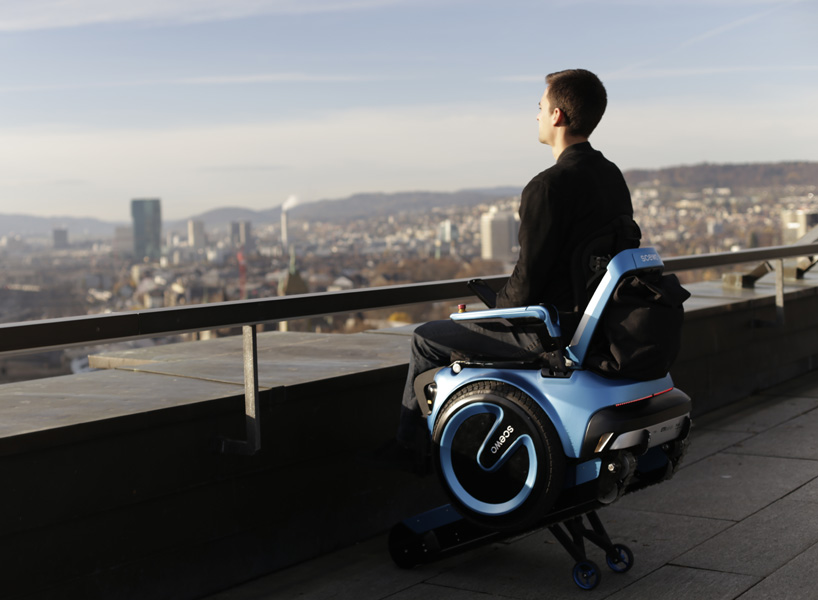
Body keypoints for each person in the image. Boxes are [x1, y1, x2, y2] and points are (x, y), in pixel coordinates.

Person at [389, 69, 638, 474]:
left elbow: (526, 283)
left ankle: (409, 454)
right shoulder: (611, 177)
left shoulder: (548, 186)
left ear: (557, 115)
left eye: (539, 108)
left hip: (551, 331)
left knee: (424, 339)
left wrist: (489, 317)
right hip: (595, 326)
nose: (536, 116)